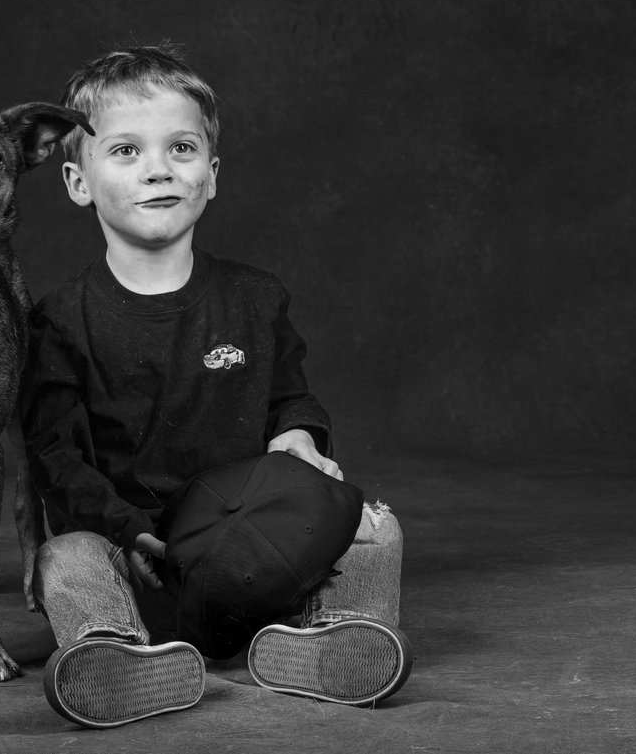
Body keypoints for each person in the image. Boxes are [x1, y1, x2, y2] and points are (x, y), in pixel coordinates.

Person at [21, 44, 411, 729]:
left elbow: (291, 396)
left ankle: (332, 639)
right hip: (140, 566)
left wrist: (298, 438)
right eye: (125, 152)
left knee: (375, 526)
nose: (157, 169)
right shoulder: (57, 320)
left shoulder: (255, 299)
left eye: (180, 148)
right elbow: (55, 459)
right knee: (65, 554)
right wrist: (131, 534)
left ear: (211, 173)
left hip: (260, 552)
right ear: (78, 181)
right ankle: (115, 652)